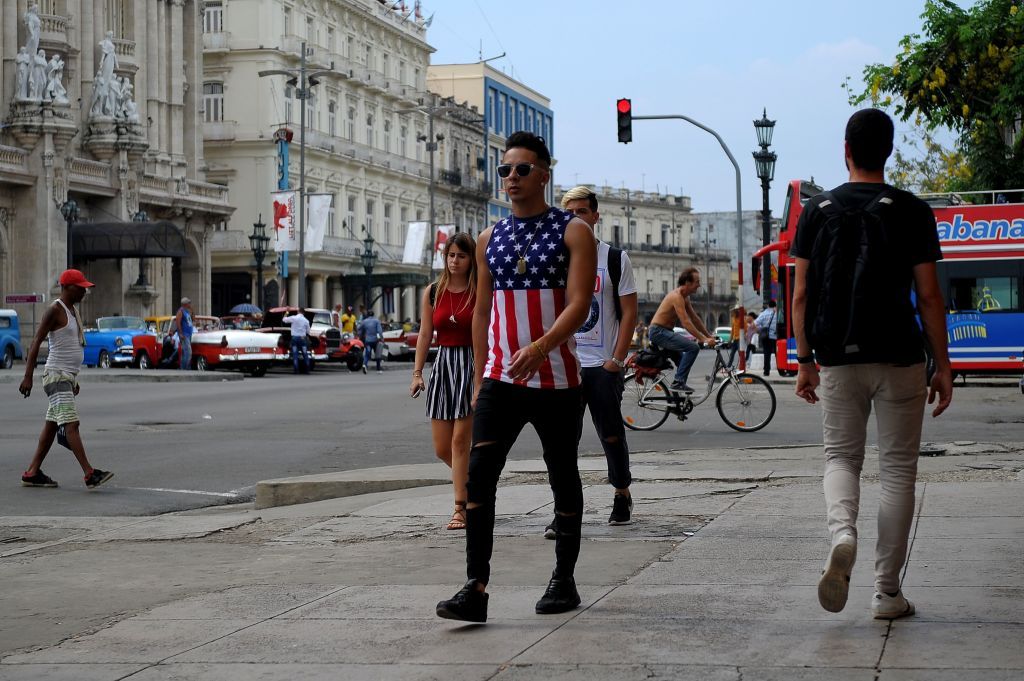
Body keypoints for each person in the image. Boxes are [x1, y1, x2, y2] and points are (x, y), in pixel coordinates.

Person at [791, 108, 953, 619]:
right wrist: (942, 365)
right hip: (901, 356)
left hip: (837, 356)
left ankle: (842, 534)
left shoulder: (815, 211)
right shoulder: (911, 210)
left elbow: (800, 295)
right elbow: (928, 296)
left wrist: (804, 360)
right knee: (899, 470)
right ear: (889, 150)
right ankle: (887, 593)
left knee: (841, 459)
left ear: (846, 149)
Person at [435, 131, 597, 623]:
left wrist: (542, 345)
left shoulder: (573, 232)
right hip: (501, 381)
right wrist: (484, 375)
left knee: (562, 475)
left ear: (544, 174)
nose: (511, 178)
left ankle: (563, 579)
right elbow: (483, 311)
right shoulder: (489, 238)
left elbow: (580, 304)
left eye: (521, 170)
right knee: (480, 478)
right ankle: (475, 587)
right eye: (505, 170)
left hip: (557, 381)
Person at [560, 185, 638, 528]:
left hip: (603, 365)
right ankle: (564, 512)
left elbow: (629, 312)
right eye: (569, 213)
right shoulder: (559, 259)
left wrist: (616, 362)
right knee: (562, 441)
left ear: (594, 216)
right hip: (568, 365)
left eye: (581, 212)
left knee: (610, 433)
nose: (575, 218)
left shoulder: (614, 259)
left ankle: (621, 493)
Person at [18, 269, 114, 490]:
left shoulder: (72, 311)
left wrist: (73, 379)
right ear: (67, 287)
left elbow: (70, 347)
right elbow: (36, 342)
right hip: (56, 375)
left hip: (65, 377)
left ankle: (32, 472)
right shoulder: (55, 310)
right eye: (80, 288)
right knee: (72, 424)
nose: (84, 292)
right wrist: (27, 376)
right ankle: (89, 474)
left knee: (52, 426)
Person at [410, 232, 477, 531]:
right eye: (450, 255)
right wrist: (417, 373)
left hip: (472, 364)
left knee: (460, 442)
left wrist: (483, 376)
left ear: (471, 259)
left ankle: (460, 508)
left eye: (461, 256)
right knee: (441, 448)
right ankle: (477, 482)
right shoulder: (433, 291)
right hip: (443, 365)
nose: (454, 260)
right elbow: (425, 334)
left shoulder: (479, 290)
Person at [647, 268, 718, 393]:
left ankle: (676, 402)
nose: (699, 285)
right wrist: (703, 339)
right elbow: (685, 322)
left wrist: (709, 335)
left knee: (682, 364)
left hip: (665, 332)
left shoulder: (685, 298)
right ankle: (678, 382)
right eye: (697, 282)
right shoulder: (677, 296)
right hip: (658, 332)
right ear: (687, 283)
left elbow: (695, 319)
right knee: (693, 348)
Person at [282, 308, 312, 374]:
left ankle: (296, 370)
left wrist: (286, 312)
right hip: (302, 338)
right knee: (305, 354)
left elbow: (284, 320)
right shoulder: (306, 321)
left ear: (298, 312)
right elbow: (308, 332)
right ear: (303, 313)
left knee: (295, 354)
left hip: (294, 338)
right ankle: (307, 370)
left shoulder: (294, 318)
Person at [755, 300, 779, 376]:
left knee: (767, 354)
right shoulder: (777, 314)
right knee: (777, 354)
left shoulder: (763, 314)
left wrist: (761, 328)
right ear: (775, 306)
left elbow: (755, 323)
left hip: (766, 337)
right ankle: (780, 369)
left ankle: (766, 371)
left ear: (768, 305)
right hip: (775, 337)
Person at [357, 309, 383, 373]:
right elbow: (379, 331)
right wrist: (382, 338)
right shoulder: (377, 321)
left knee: (367, 354)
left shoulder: (364, 321)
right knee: (377, 354)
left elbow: (359, 329)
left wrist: (359, 336)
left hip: (368, 340)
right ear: (373, 314)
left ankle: (364, 364)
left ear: (368, 314)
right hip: (375, 341)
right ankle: (378, 369)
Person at [173, 297, 194, 370]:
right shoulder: (180, 311)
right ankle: (186, 368)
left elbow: (193, 319)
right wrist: (180, 333)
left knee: (185, 352)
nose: (190, 304)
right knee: (188, 352)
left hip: (189, 334)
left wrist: (192, 311)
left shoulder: (187, 311)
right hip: (184, 334)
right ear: (185, 304)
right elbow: (178, 323)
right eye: (189, 303)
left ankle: (183, 367)